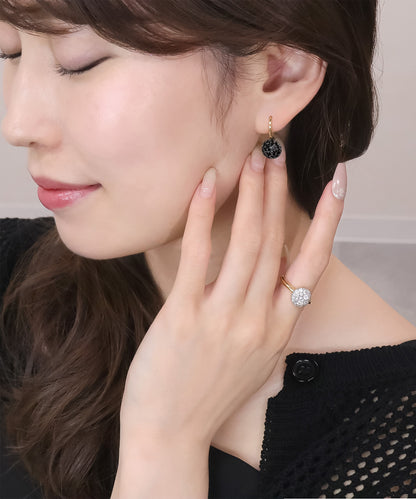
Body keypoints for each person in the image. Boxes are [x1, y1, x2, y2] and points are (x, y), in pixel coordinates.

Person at [0, 0, 415, 498]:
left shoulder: (397, 453)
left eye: (80, 62)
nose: (17, 125)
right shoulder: (10, 277)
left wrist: (167, 439)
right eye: (10, 53)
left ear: (279, 74)